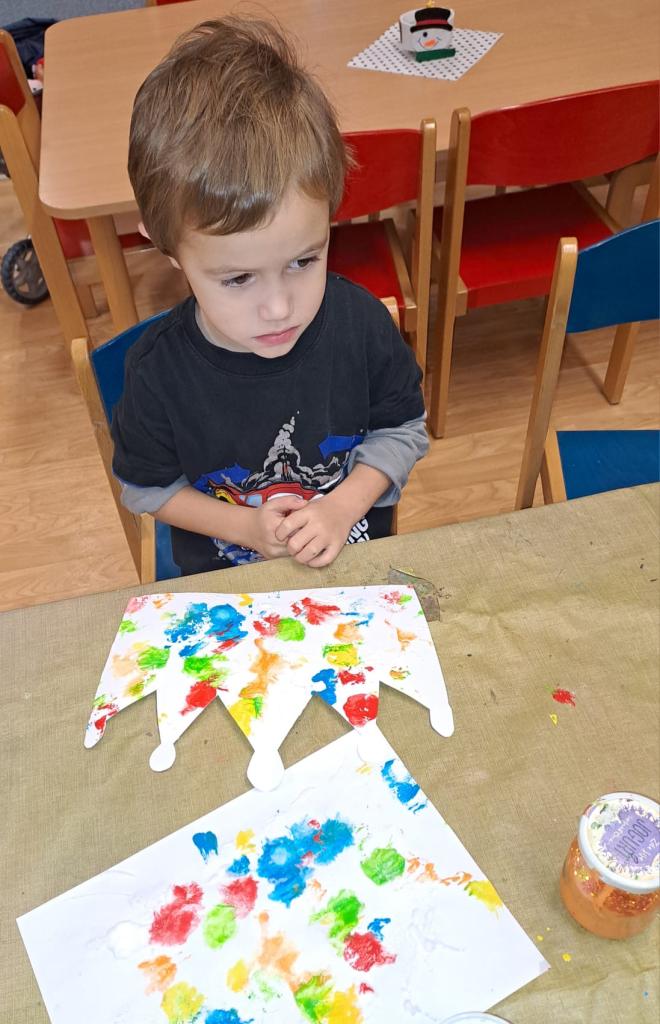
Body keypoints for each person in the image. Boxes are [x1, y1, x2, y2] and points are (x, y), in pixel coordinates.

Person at [112, 16, 429, 576]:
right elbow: (146, 488)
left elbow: (403, 430)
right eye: (238, 279)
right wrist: (243, 527)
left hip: (354, 570)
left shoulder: (360, 325)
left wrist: (342, 507)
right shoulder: (157, 373)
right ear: (166, 248)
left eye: (303, 261)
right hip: (226, 588)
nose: (280, 308)